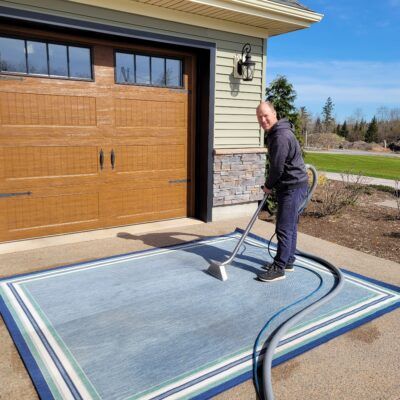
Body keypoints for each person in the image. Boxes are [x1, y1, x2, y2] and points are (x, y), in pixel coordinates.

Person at [256, 101, 308, 282]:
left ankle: (279, 268)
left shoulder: (280, 136)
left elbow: (277, 168)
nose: (263, 120)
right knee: (290, 226)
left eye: (265, 115)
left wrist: (268, 186)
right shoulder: (277, 132)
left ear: (274, 113)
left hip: (293, 187)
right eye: (259, 117)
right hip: (293, 186)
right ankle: (288, 260)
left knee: (284, 228)